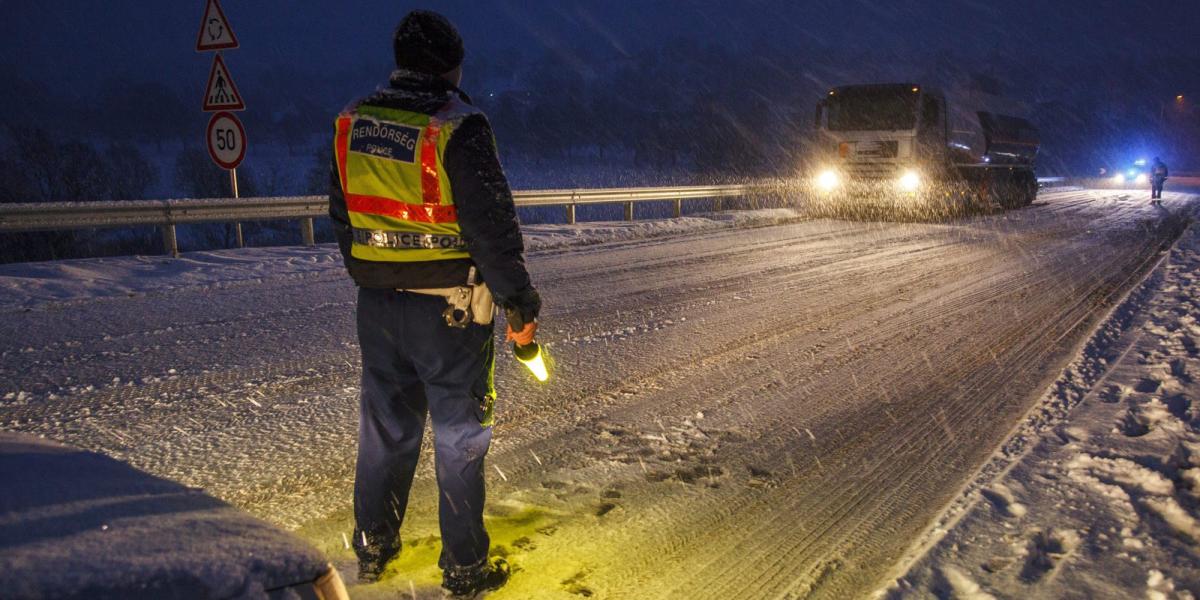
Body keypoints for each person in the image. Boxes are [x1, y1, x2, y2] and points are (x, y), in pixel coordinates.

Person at [327, 10, 541, 596]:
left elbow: (342, 216)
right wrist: (519, 303)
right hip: (449, 309)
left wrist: (372, 273)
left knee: (385, 431)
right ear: (452, 65)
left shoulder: (352, 122)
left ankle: (372, 547)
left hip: (376, 307)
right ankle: (465, 567)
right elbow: (491, 228)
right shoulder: (459, 126)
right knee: (460, 436)